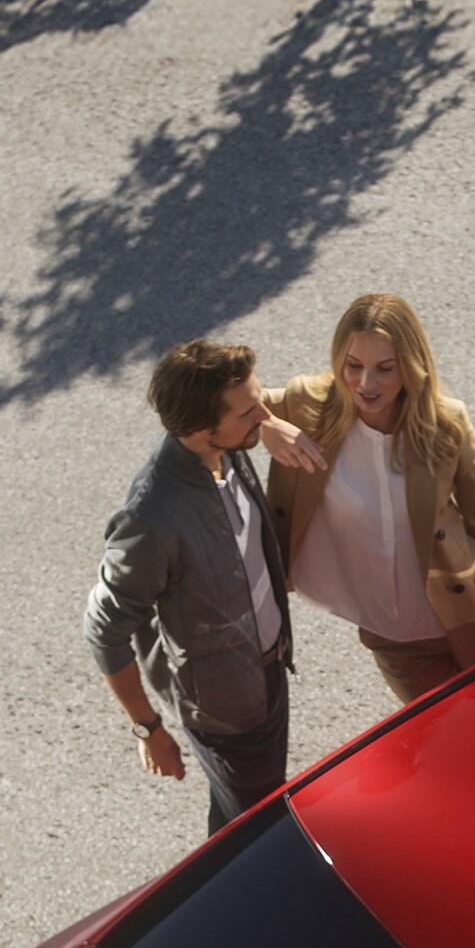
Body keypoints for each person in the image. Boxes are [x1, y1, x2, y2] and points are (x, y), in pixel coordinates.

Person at [85, 339, 321, 836]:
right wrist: (149, 729)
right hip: (227, 710)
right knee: (258, 826)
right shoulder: (152, 520)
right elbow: (104, 631)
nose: (262, 414)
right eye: (249, 412)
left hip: (269, 667)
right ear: (199, 428)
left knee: (243, 810)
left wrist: (266, 425)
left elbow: (251, 417)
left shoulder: (227, 446)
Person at [262, 293, 475, 706]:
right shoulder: (307, 404)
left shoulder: (445, 423)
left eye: (385, 369)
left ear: (411, 366)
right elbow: (218, 403)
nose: (366, 384)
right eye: (354, 366)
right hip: (394, 636)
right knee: (451, 736)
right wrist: (265, 424)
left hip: (470, 614)